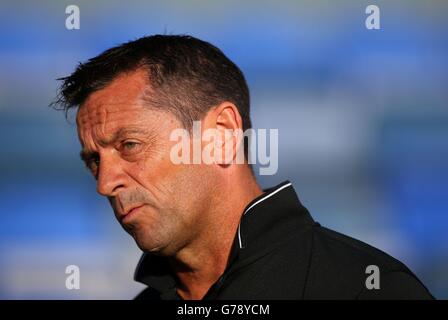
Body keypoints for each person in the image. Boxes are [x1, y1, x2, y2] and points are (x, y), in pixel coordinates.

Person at [53, 34, 434, 300]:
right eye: (94, 162)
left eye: (130, 145)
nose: (105, 184)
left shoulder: (367, 290)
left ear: (221, 134)